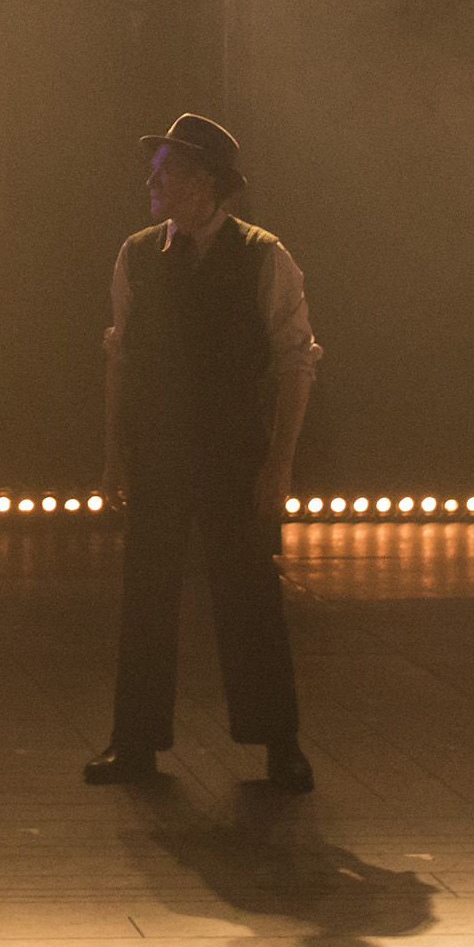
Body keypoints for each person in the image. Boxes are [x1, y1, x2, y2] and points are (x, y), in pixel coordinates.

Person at [85, 112, 319, 795]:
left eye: (166, 173)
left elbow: (297, 362)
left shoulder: (263, 256)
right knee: (146, 594)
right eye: (155, 172)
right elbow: (121, 361)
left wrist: (279, 462)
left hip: (232, 452)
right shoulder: (137, 255)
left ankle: (279, 742)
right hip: (159, 450)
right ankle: (135, 741)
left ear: (205, 182)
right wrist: (114, 456)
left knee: (249, 593)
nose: (152, 183)